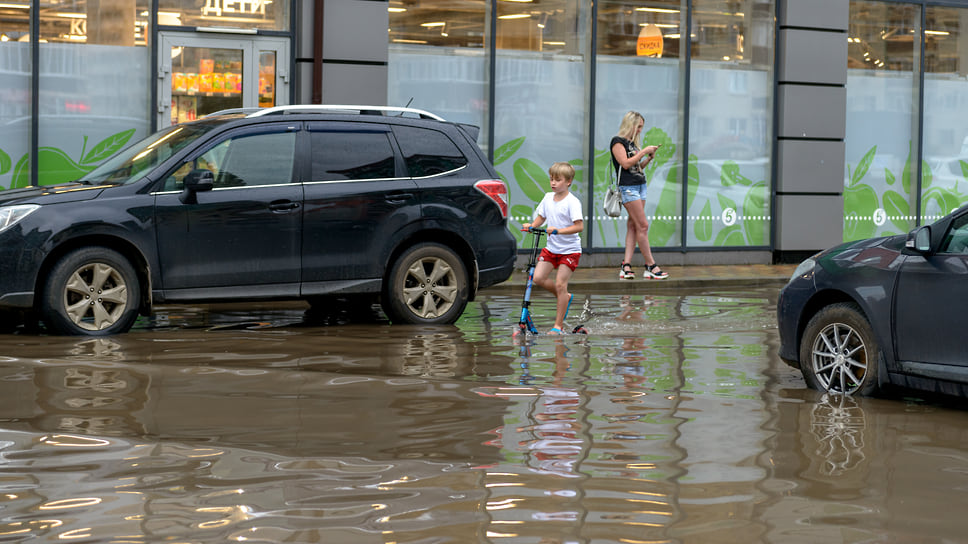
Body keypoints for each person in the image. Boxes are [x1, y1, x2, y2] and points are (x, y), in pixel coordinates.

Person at [522, 162, 584, 335]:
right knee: (538, 278)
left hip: (570, 250)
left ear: (569, 181)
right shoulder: (548, 197)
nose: (553, 183)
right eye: (551, 179)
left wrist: (559, 231)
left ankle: (558, 326)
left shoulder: (572, 202)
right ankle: (564, 297)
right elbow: (541, 217)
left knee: (560, 283)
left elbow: (579, 226)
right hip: (551, 248)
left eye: (558, 180)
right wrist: (532, 226)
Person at [610, 110, 668, 280]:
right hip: (628, 188)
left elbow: (637, 167)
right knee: (643, 225)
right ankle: (650, 265)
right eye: (639, 127)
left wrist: (648, 158)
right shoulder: (617, 142)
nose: (640, 130)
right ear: (631, 124)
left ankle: (625, 265)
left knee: (634, 225)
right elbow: (625, 164)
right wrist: (643, 152)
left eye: (642, 127)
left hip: (640, 185)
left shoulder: (632, 144)